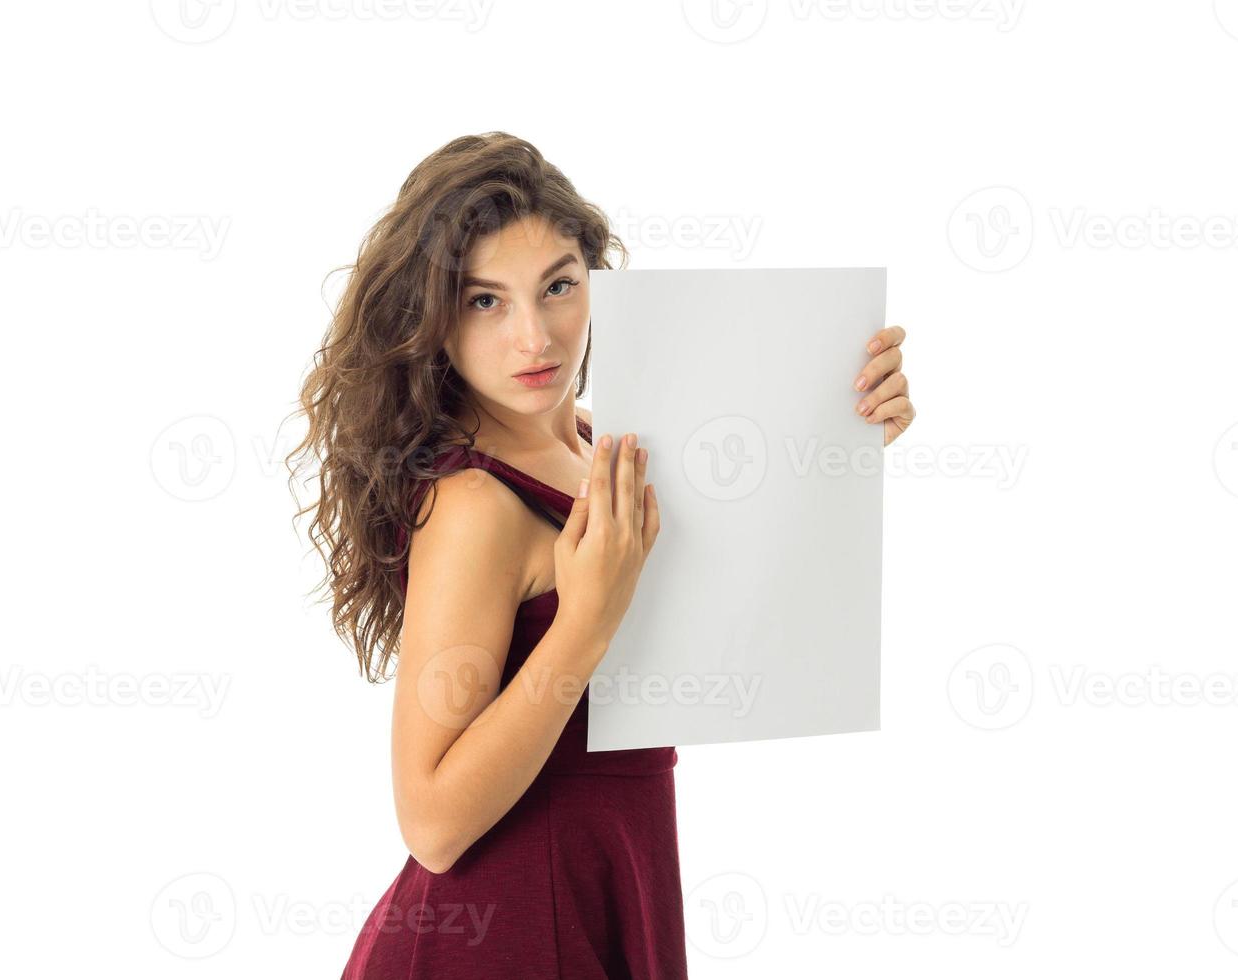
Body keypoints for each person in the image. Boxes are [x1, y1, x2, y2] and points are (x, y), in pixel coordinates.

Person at [288, 132, 915, 979]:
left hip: (612, 879)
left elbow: (735, 594)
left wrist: (847, 424)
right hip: (503, 931)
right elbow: (430, 824)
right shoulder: (476, 505)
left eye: (558, 287)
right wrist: (582, 626)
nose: (535, 337)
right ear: (434, 321)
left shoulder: (593, 444)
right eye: (484, 302)